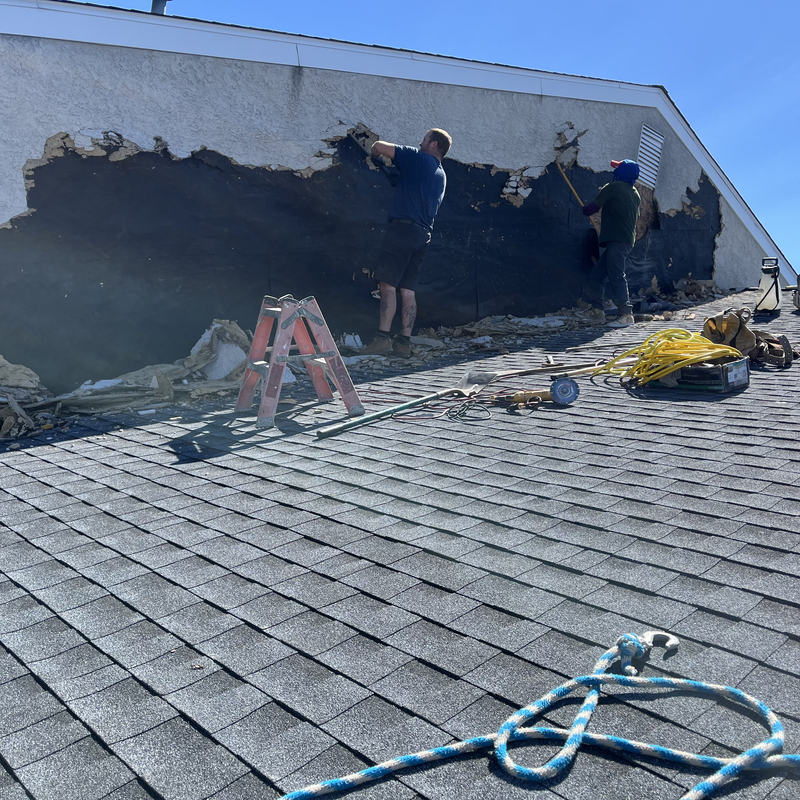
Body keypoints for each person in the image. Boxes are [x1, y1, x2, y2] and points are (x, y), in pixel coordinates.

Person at [362, 128, 452, 358]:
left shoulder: (420, 158)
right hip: (423, 235)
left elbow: (379, 146)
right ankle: (404, 343)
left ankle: (382, 339)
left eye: (424, 140)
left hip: (402, 230)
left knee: (387, 285)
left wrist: (375, 156)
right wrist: (400, 178)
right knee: (408, 290)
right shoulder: (441, 175)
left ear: (434, 144)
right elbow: (416, 189)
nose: (420, 143)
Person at [578, 159, 641, 326]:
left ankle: (626, 315)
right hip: (625, 241)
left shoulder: (613, 187)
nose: (614, 172)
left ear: (621, 173)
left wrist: (584, 209)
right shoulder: (635, 193)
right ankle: (597, 311)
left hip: (617, 240)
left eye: (617, 169)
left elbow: (592, 209)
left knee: (616, 275)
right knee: (597, 275)